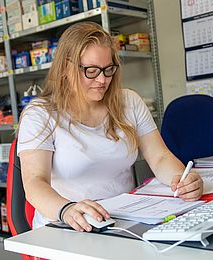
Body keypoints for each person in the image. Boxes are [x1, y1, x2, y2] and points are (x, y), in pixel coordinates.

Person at [17, 21, 203, 232]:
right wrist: (67, 210)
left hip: (125, 220)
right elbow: (34, 182)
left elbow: (159, 157)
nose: (102, 80)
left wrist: (182, 181)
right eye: (91, 71)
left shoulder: (129, 102)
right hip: (66, 225)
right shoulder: (40, 114)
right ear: (66, 69)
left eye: (108, 69)